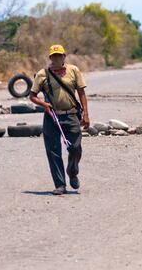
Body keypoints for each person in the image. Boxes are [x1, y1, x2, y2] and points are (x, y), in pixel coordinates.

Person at [30, 45, 90, 195]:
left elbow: (81, 92)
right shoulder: (42, 74)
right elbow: (32, 96)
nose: (56, 58)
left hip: (71, 114)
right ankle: (60, 185)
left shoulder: (74, 70)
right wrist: (44, 104)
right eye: (53, 56)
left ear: (64, 56)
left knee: (75, 148)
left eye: (59, 55)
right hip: (52, 117)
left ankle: (72, 170)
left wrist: (86, 114)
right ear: (50, 58)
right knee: (53, 151)